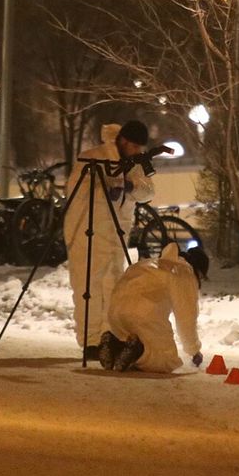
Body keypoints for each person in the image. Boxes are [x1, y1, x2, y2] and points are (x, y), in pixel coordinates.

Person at [63, 120, 155, 360]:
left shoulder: (133, 164)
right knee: (88, 286)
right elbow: (76, 197)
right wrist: (104, 184)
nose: (137, 152)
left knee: (114, 286)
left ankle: (109, 337)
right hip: (89, 232)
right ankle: (90, 341)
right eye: (134, 147)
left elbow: (148, 192)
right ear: (124, 141)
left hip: (118, 232)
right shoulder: (92, 158)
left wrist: (130, 184)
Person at [99, 243, 209, 373]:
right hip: (144, 314)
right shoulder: (183, 271)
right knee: (165, 359)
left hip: (115, 314)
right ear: (197, 269)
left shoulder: (147, 263)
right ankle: (139, 351)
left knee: (130, 340)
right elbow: (186, 318)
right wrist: (194, 350)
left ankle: (114, 345)